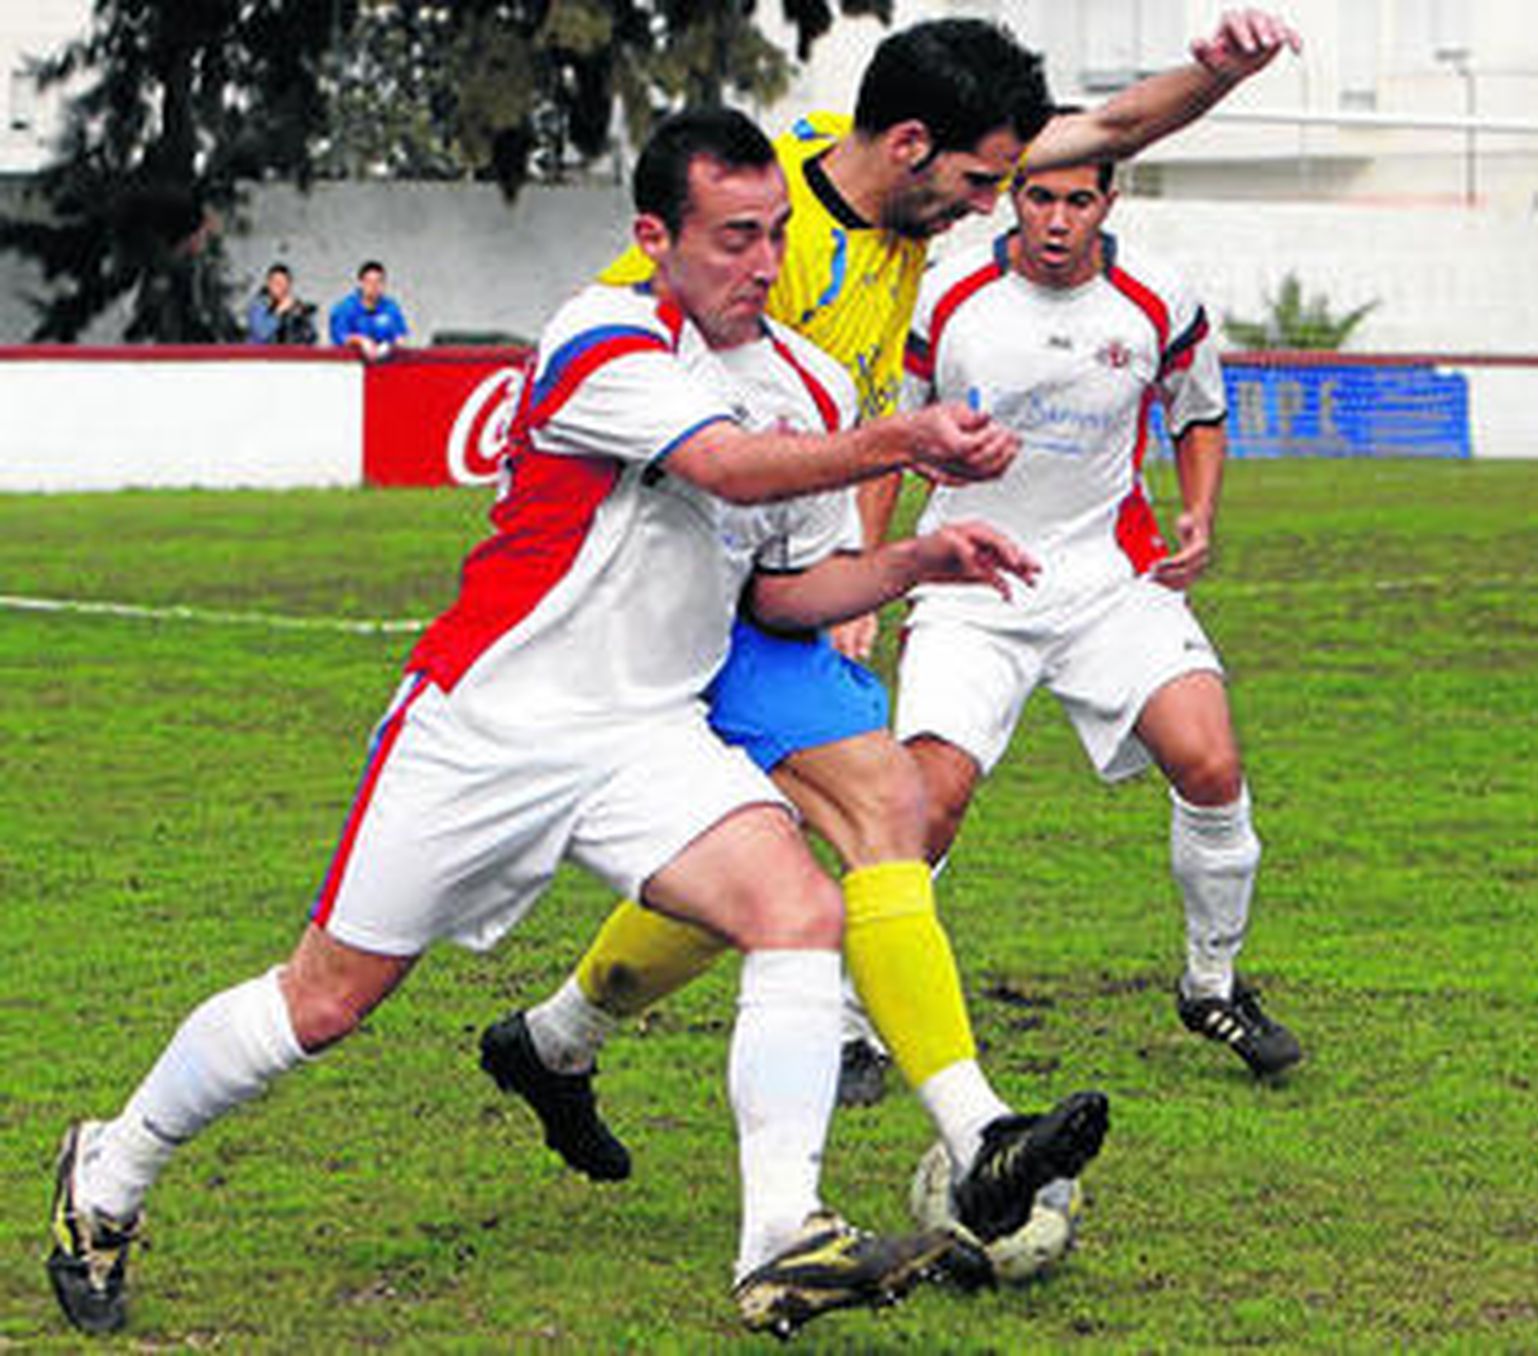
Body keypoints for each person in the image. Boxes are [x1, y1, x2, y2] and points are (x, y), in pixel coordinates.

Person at [44, 107, 1074, 1341]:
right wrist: (898, 440)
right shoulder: (603, 333)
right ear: (656, 237)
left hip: (646, 734)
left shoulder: (805, 381)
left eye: (775, 235)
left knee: (796, 909)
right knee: (323, 1003)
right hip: (488, 724)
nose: (762, 264)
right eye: (733, 238)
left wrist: (911, 561)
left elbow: (780, 593)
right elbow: (721, 467)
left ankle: (782, 1239)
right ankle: (109, 1170)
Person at [476, 10, 1300, 1199]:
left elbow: (1115, 124)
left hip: (774, 586)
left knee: (862, 817)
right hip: (653, 594)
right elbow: (602, 350)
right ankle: (586, 1062)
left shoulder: (882, 165)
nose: (990, 209)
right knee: (351, 983)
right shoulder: (762, 229)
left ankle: (965, 1137)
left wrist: (1214, 74)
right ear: (911, 146)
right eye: (979, 185)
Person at [893, 153, 1301, 1077]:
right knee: (927, 804)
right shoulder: (946, 294)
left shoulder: (1158, 297)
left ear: (1109, 203)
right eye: (1040, 197)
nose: (1057, 219)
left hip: (1110, 580)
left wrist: (1200, 514)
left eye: (1079, 200)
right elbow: (887, 440)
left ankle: (1212, 985)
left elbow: (1198, 413)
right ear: (1013, 198)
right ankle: (858, 1022)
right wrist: (866, 568)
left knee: (1211, 761)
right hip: (971, 585)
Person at [328, 260, 408, 359]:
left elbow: (399, 337)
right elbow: (340, 337)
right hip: (352, 362)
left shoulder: (391, 307)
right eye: (369, 282)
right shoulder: (345, 308)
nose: (374, 286)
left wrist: (389, 346)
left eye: (379, 282)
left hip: (385, 362)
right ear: (361, 283)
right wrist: (361, 341)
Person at [244, 263, 317, 345]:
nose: (280, 286)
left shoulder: (296, 306)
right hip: (261, 352)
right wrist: (278, 312)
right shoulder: (259, 304)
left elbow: (311, 337)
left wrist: (304, 318)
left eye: (284, 282)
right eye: (276, 282)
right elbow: (261, 334)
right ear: (268, 283)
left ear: (289, 284)